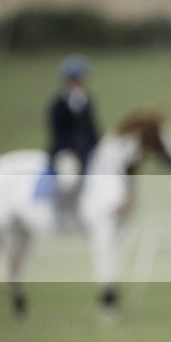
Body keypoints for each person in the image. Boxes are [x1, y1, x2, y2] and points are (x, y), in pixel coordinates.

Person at [46, 54, 100, 224]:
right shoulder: (58, 104)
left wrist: (98, 147)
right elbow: (58, 133)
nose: (81, 81)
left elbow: (93, 129)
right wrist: (76, 149)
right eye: (77, 78)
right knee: (69, 177)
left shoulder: (85, 101)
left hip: (87, 150)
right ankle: (63, 210)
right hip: (66, 151)